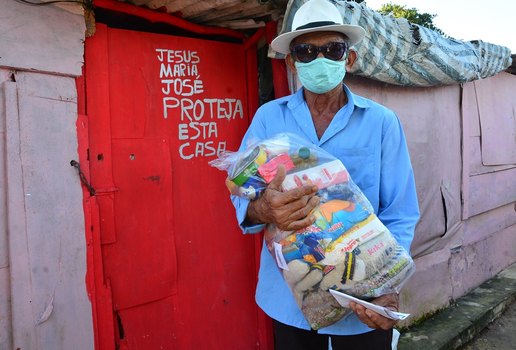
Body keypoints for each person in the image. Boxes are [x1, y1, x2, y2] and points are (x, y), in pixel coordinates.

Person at [231, 0, 420, 349]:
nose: (320, 60)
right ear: (292, 62)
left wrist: (387, 285)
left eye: (332, 49)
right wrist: (265, 210)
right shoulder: (268, 119)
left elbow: (400, 210)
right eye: (306, 52)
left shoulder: (381, 122)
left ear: (348, 59)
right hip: (289, 302)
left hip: (364, 301)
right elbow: (242, 193)